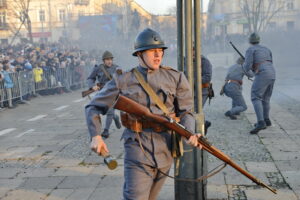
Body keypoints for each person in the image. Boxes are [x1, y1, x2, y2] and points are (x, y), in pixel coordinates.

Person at [85, 28, 201, 200]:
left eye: (160, 51)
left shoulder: (175, 77)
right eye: (152, 51)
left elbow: (186, 112)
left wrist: (189, 132)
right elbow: (93, 106)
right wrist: (96, 135)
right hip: (137, 147)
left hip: (166, 148)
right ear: (139, 54)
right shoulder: (123, 80)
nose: (158, 55)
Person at [243, 33, 276, 134]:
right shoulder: (266, 49)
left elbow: (247, 66)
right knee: (266, 98)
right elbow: (270, 61)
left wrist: (248, 72)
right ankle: (266, 120)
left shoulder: (250, 50)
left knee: (255, 97)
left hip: (262, 73)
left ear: (250, 41)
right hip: (272, 72)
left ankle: (260, 122)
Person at [86, 50, 122, 138]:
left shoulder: (117, 68)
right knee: (103, 110)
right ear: (104, 60)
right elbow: (90, 78)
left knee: (110, 110)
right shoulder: (98, 68)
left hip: (113, 92)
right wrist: (92, 86)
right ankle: (115, 117)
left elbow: (122, 79)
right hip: (102, 92)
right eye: (107, 59)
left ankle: (106, 130)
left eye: (111, 59)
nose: (109, 61)